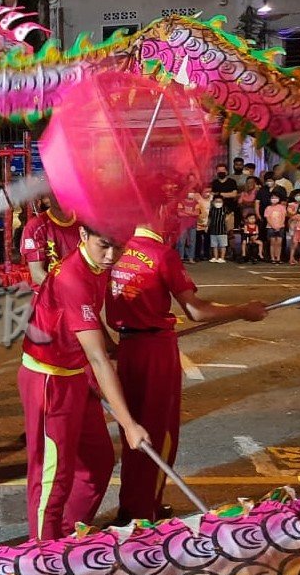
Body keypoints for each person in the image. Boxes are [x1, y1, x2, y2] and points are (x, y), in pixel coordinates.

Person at [107, 224, 266, 523]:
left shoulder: (116, 248)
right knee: (157, 433)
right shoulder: (161, 254)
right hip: (155, 351)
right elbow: (196, 310)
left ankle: (134, 504)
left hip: (127, 348)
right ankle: (142, 513)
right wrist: (242, 310)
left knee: (134, 431)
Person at [19, 226, 149, 540]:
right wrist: (128, 423)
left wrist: (110, 343)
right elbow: (98, 359)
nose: (112, 256)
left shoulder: (99, 265)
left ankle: (67, 535)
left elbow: (90, 324)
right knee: (53, 477)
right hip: (49, 379)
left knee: (97, 461)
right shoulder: (72, 277)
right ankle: (43, 556)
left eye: (119, 247)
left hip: (74, 373)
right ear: (83, 234)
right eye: (105, 245)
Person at [20, 194, 81, 286]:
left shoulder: (86, 221)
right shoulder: (35, 226)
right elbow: (37, 274)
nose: (59, 196)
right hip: (50, 294)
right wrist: (70, 291)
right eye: (54, 191)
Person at [264, 193, 287, 264]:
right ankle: (272, 258)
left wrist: (279, 226)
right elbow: (267, 218)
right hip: (271, 227)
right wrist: (273, 226)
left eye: (276, 198)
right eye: (272, 198)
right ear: (270, 199)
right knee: (272, 243)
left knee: (279, 243)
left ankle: (278, 258)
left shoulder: (282, 207)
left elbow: (283, 217)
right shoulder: (268, 208)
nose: (274, 199)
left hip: (281, 227)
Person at [206, 195, 230, 263]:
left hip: (222, 230)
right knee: (214, 245)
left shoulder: (225, 209)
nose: (218, 203)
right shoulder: (212, 209)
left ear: (223, 202)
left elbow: (229, 216)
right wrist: (207, 226)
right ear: (213, 202)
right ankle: (215, 257)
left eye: (220, 201)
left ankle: (222, 258)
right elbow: (209, 218)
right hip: (213, 230)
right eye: (216, 201)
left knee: (223, 245)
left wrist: (228, 226)